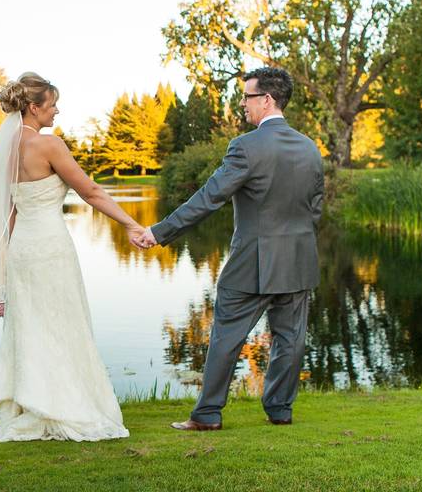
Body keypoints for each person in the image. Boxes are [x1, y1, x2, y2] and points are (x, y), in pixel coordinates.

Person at [135, 66, 324, 429]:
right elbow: (314, 208)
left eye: (247, 97)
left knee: (227, 335)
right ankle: (280, 410)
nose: (243, 105)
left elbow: (209, 198)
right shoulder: (309, 147)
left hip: (252, 261)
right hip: (299, 260)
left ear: (267, 100)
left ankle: (207, 414)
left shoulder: (246, 147)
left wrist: (160, 232)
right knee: (290, 339)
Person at [0, 72, 140, 442]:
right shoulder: (48, 145)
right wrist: (131, 225)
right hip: (51, 247)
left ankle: (32, 402)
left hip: (23, 249)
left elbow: (7, 215)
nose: (57, 109)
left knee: (32, 326)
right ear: (34, 107)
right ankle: (64, 404)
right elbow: (89, 191)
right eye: (52, 103)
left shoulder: (5, 149)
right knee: (62, 323)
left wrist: (2, 276)